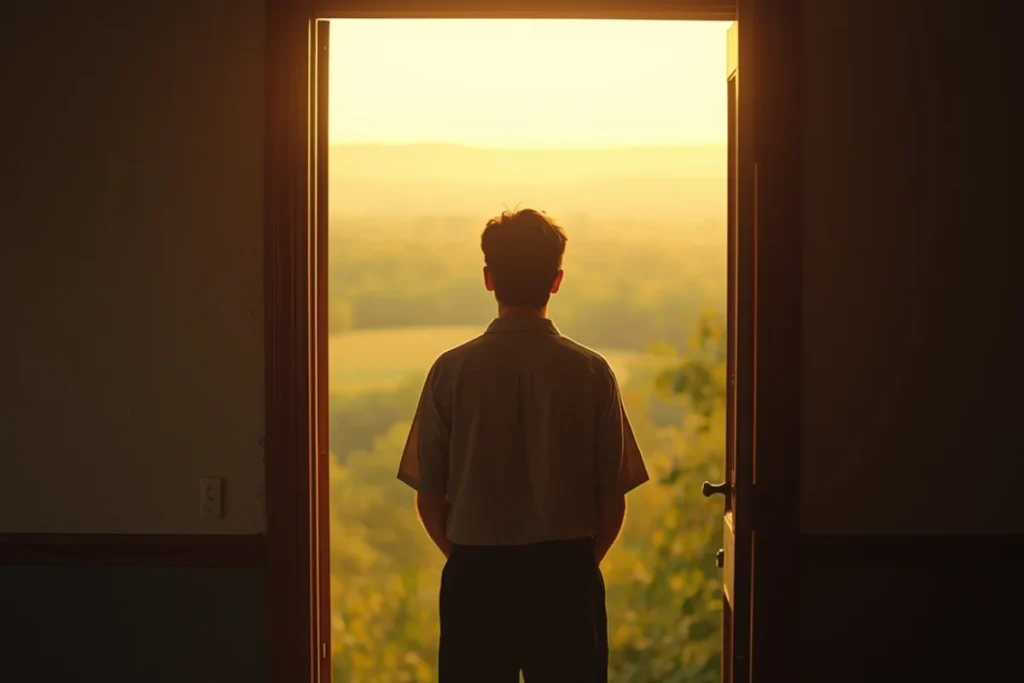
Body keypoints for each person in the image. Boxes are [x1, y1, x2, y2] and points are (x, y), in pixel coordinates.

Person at [396, 208, 648, 682]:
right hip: (566, 575)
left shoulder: (451, 372)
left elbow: (429, 495)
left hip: (477, 574)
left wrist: (470, 559)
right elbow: (611, 498)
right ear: (557, 280)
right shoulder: (591, 372)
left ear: (489, 278)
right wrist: (572, 567)